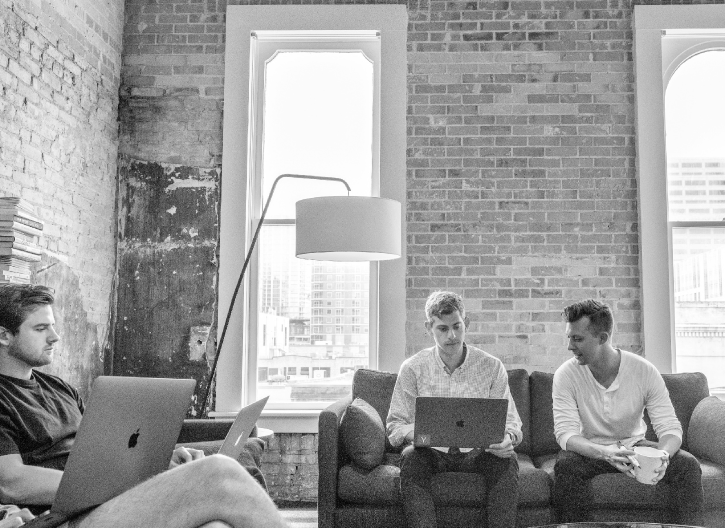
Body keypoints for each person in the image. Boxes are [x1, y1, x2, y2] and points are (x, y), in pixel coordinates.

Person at [0, 284, 288, 528]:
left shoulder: (59, 388)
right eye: (40, 328)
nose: (55, 336)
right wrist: (109, 483)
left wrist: (160, 462)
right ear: (4, 336)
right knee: (219, 471)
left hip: (102, 502)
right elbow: (12, 483)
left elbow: (102, 452)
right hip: (62, 518)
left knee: (215, 524)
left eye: (52, 326)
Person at [552, 299, 704, 525]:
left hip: (634, 447)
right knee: (565, 467)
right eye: (569, 338)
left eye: (577, 339)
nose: (570, 346)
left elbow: (669, 427)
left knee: (687, 465)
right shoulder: (566, 375)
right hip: (591, 449)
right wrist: (605, 453)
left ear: (602, 338)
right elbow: (566, 434)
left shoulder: (644, 371)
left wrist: (662, 456)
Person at [386, 291, 522, 528]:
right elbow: (395, 426)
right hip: (431, 451)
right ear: (429, 328)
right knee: (410, 458)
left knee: (507, 461)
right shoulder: (413, 368)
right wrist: (418, 433)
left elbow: (511, 423)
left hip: (479, 452)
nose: (452, 335)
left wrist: (508, 439)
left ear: (466, 323)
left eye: (457, 326)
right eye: (443, 329)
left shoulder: (491, 366)